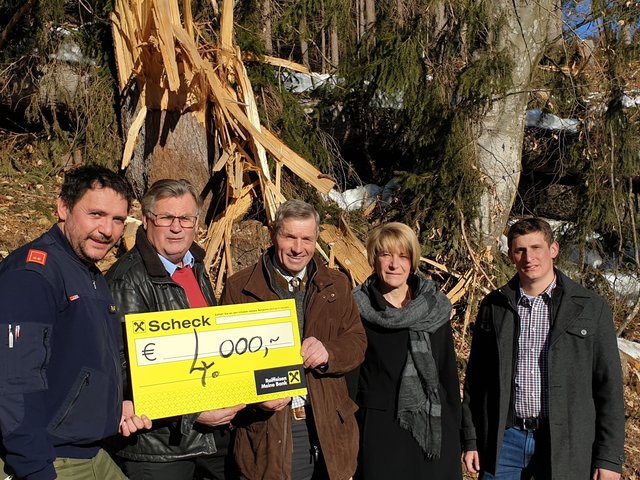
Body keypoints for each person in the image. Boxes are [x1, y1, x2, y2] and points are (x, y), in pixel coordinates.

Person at [0, 165, 150, 480]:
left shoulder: (88, 272)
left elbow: (79, 363)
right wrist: (36, 469)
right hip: (50, 460)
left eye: (118, 220)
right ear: (63, 208)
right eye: (96, 214)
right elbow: (14, 383)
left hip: (92, 451)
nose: (108, 230)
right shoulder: (32, 276)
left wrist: (113, 409)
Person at [461, 218, 626, 480]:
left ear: (554, 249)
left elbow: (609, 387)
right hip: (504, 441)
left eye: (536, 247)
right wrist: (471, 438)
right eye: (520, 250)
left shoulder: (590, 308)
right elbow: (476, 380)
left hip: (564, 444)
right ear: (510, 255)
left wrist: (609, 457)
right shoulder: (495, 306)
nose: (529, 257)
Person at [106, 179, 244, 480]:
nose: (176, 228)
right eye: (166, 218)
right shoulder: (127, 280)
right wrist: (192, 410)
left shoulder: (194, 266)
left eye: (185, 219)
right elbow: (121, 368)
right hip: (158, 448)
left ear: (196, 223)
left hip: (209, 439)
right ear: (146, 221)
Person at [221, 199, 366, 480]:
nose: (298, 248)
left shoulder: (335, 285)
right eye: (289, 237)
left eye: (307, 239)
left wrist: (329, 352)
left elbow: (357, 341)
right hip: (271, 429)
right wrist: (255, 399)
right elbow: (226, 366)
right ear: (274, 233)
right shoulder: (241, 288)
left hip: (328, 426)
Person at [351, 222, 462, 479]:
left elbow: (447, 374)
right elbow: (351, 381)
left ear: (412, 261)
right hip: (381, 434)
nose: (394, 264)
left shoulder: (435, 308)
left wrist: (461, 435)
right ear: (373, 259)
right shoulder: (357, 308)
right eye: (385, 255)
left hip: (432, 433)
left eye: (403, 256)